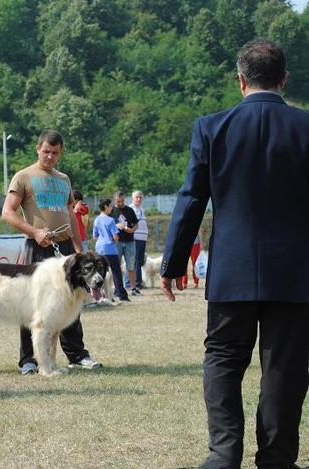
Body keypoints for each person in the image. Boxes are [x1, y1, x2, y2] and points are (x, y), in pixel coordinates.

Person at [161, 38, 309, 469]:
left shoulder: (211, 127)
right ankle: (277, 459)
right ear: (284, 79)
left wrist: (171, 264)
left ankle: (223, 454)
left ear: (240, 80)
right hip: (296, 272)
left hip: (231, 269)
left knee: (223, 359)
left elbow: (191, 200)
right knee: (285, 364)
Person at [1, 129, 102, 374]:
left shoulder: (64, 179)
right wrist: (34, 231)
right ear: (38, 149)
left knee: (73, 301)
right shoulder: (23, 176)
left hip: (66, 250)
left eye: (54, 152)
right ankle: (29, 360)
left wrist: (80, 249)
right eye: (46, 151)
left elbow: (70, 215)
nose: (49, 157)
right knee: (31, 304)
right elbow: (7, 213)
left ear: (60, 153)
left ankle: (77, 355)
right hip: (37, 247)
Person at [92, 198, 125, 302]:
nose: (111, 208)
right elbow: (115, 237)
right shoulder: (110, 220)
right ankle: (121, 295)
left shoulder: (96, 220)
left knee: (100, 273)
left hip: (99, 249)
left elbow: (94, 236)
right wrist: (114, 241)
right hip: (110, 249)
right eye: (110, 206)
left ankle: (100, 296)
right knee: (116, 272)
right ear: (106, 207)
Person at [111, 191, 138, 299]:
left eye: (122, 201)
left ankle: (133, 288)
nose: (120, 203)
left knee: (130, 266)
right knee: (115, 266)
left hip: (129, 241)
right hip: (117, 242)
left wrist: (132, 230)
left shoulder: (129, 210)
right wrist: (118, 225)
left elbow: (136, 223)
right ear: (115, 200)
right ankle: (116, 288)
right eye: (118, 201)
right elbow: (108, 224)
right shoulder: (111, 210)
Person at [129, 190, 148, 290]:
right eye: (137, 197)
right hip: (136, 237)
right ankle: (136, 282)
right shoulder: (130, 208)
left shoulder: (141, 209)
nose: (139, 199)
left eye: (140, 197)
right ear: (132, 198)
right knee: (136, 261)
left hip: (143, 238)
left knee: (140, 261)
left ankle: (138, 281)